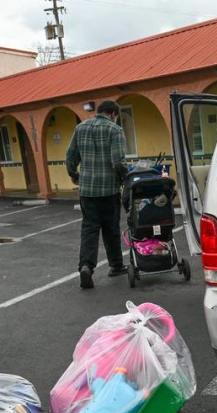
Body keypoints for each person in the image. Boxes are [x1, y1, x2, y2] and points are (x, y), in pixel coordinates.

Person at [65, 100, 128, 288]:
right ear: (113, 114)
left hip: (87, 191)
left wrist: (74, 175)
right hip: (109, 190)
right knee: (111, 229)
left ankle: (86, 267)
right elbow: (118, 161)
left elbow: (70, 156)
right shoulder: (114, 130)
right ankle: (116, 265)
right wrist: (125, 178)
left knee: (89, 229)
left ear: (99, 112)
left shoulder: (80, 128)